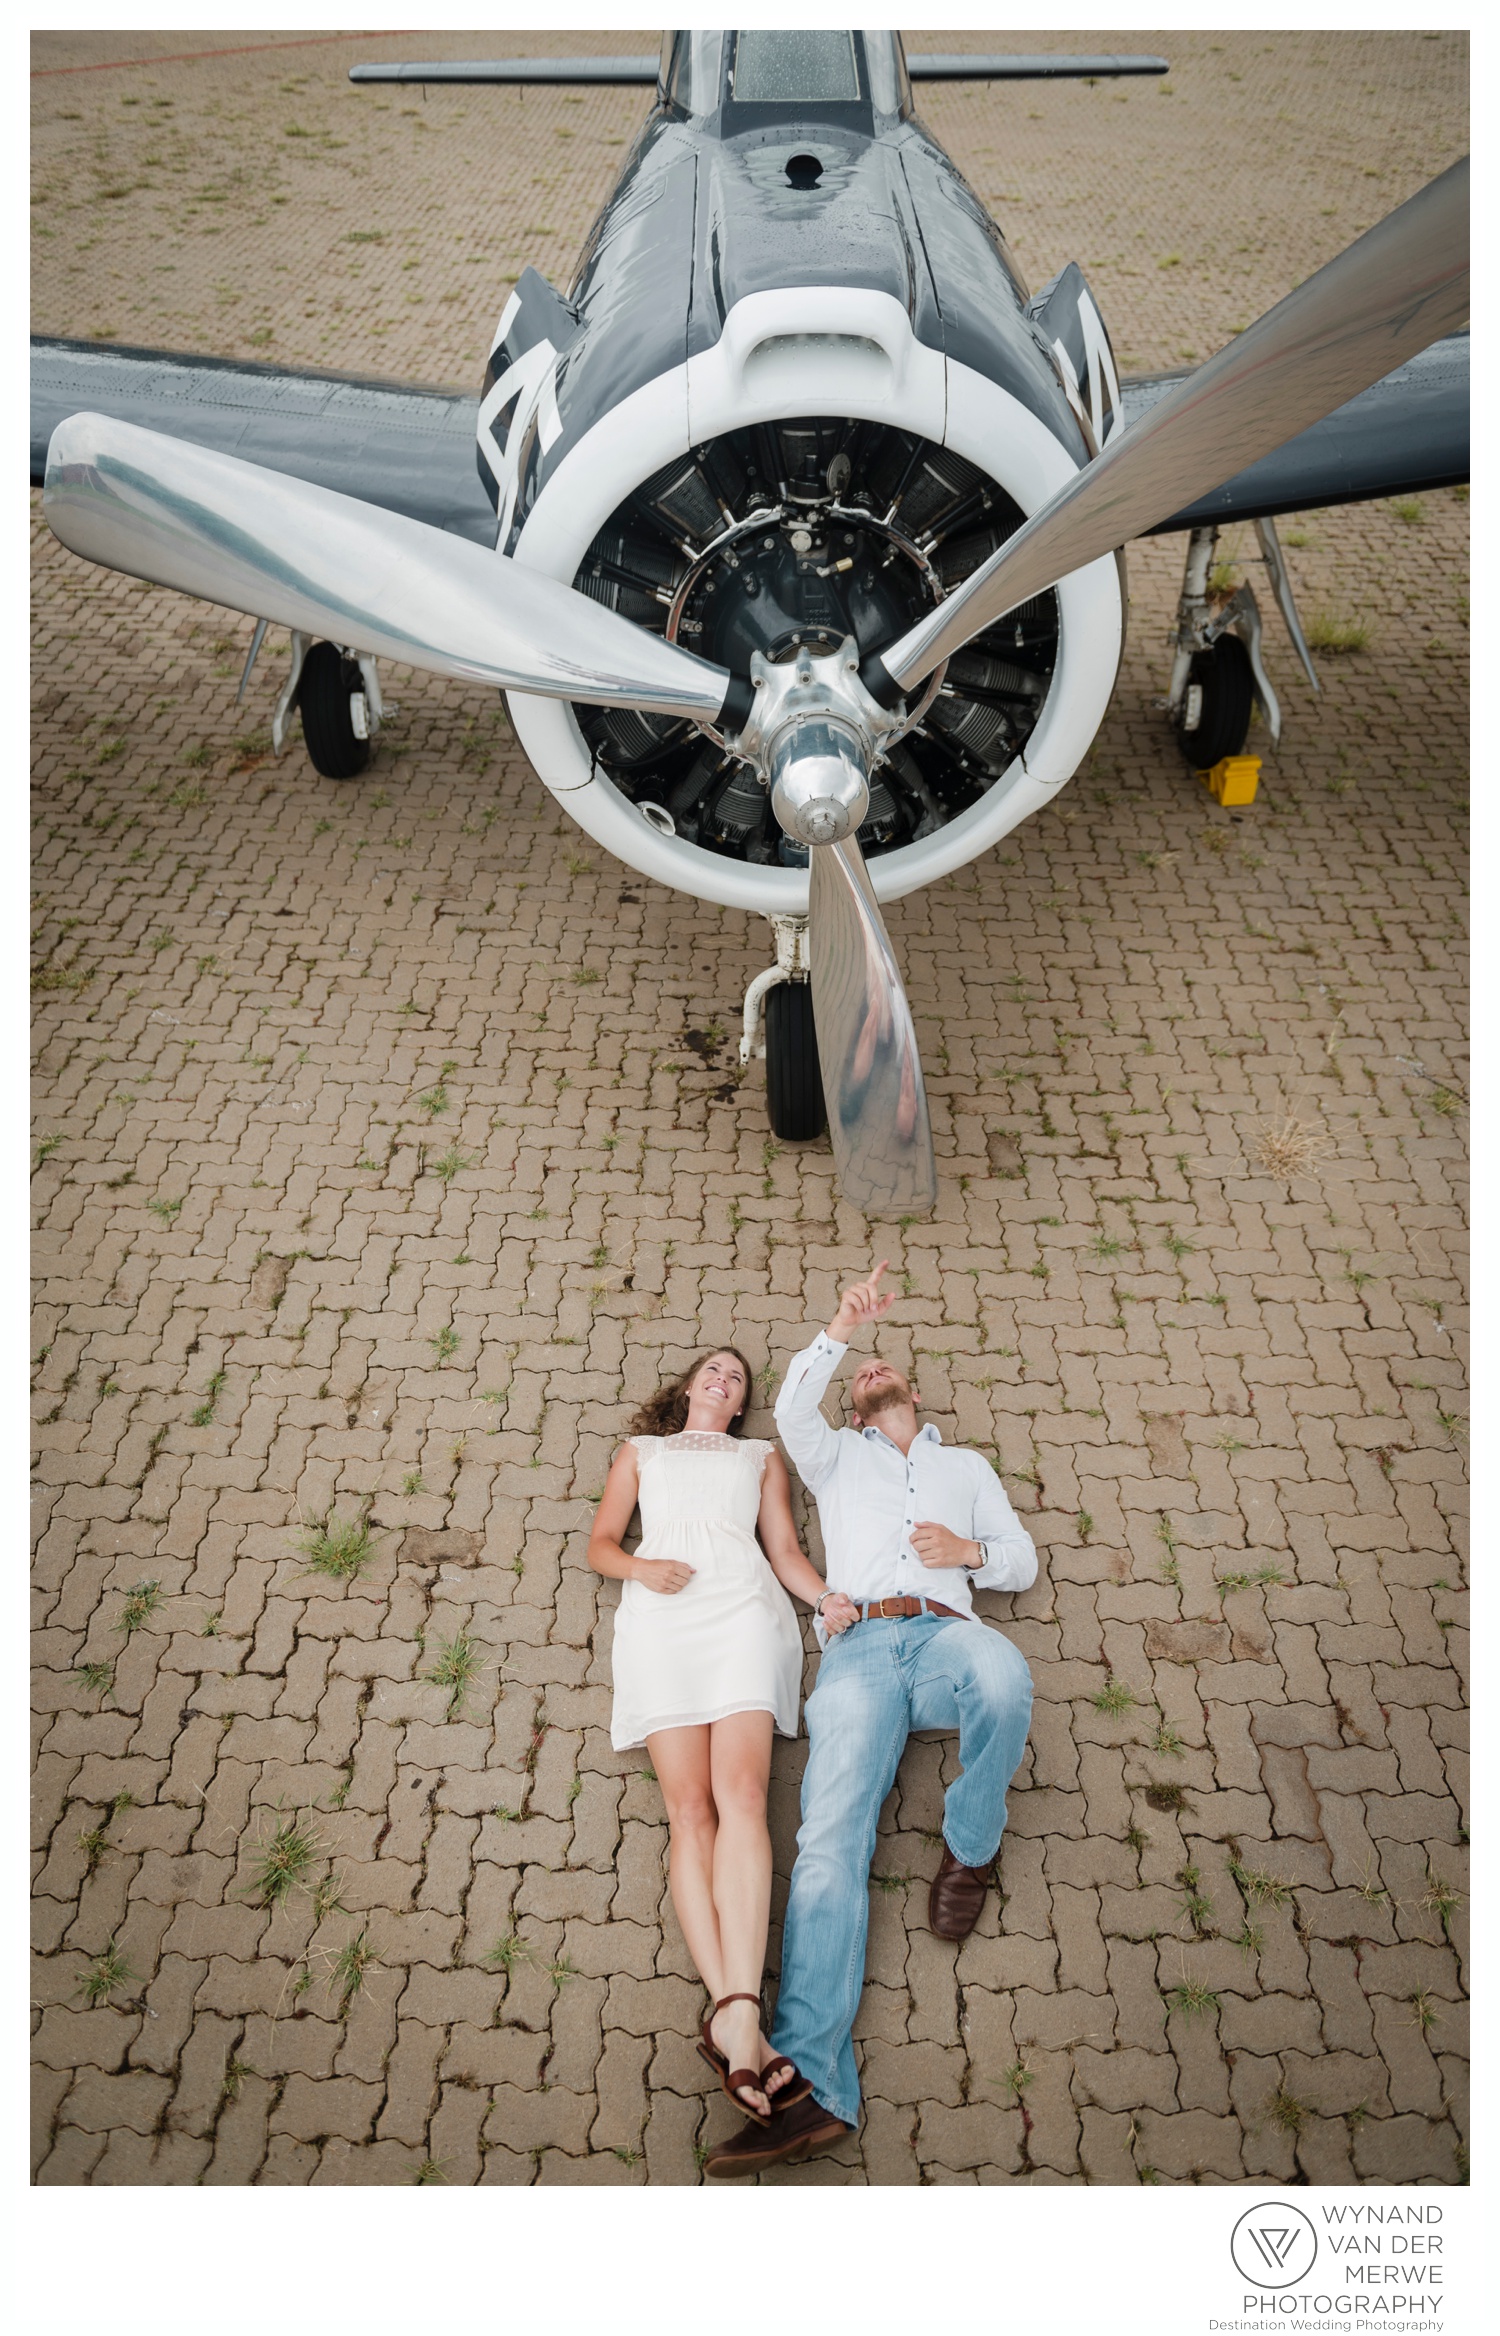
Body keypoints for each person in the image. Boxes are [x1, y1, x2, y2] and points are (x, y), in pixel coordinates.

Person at [704, 1263, 1038, 2176]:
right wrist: (843, 1325)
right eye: (858, 1375)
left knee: (1006, 1683)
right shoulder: (833, 1454)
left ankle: (971, 1843)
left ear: (914, 1394)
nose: (867, 1375)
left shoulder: (963, 1467)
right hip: (856, 1652)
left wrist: (969, 1551)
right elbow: (793, 1403)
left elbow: (1020, 1559)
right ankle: (811, 2087)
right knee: (828, 1841)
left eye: (879, 1367)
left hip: (944, 1638)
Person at [586, 1345, 859, 2124]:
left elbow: (783, 1551)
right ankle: (739, 2019)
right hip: (663, 1619)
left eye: (736, 1378)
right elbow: (601, 1544)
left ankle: (733, 2016)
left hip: (742, 1613)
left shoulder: (760, 1456)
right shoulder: (641, 1452)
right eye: (712, 1368)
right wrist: (642, 1570)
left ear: (740, 1406)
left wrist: (825, 1600)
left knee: (742, 1794)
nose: (723, 1379)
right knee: (689, 1810)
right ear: (687, 1387)